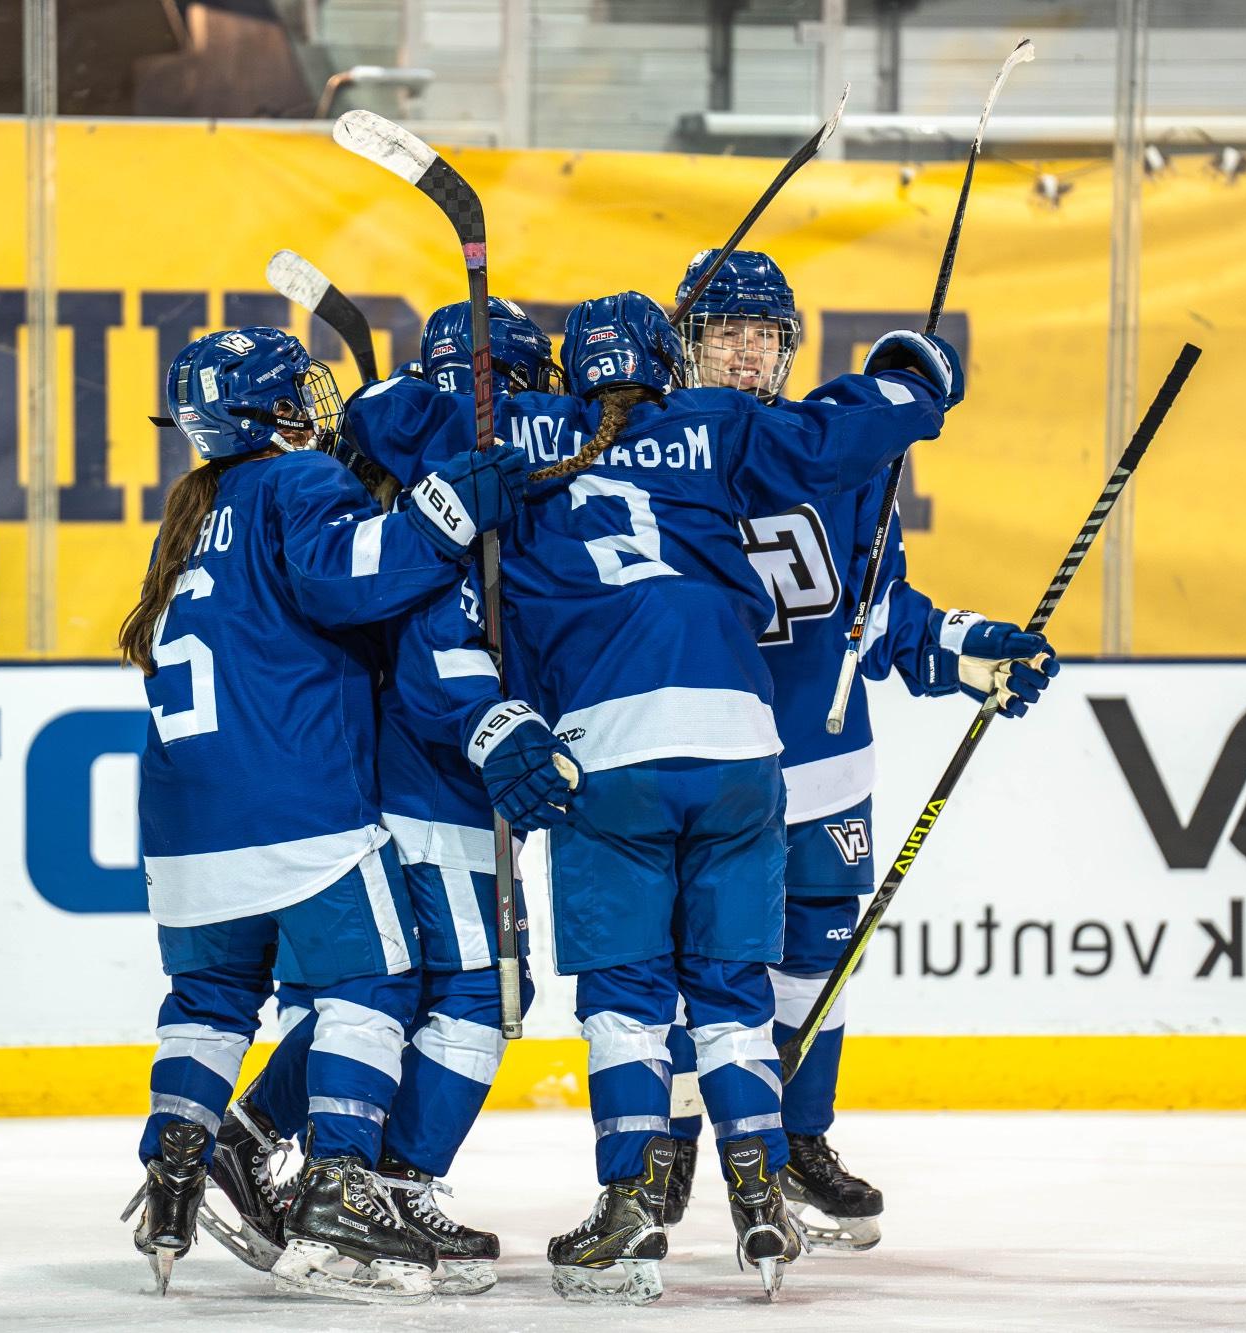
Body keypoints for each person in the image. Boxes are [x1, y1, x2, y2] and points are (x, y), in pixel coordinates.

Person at [345, 289, 958, 1304]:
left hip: (608, 747)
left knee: (629, 1002)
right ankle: (758, 1194)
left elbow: (385, 418)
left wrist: (390, 392)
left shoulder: (525, 430)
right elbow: (834, 434)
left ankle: (628, 1211)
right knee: (730, 991)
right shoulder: (712, 422)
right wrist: (913, 384)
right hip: (740, 747)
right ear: (665, 361)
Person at [120, 325, 574, 1306]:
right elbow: (385, 593)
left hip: (193, 820)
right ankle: (360, 1192)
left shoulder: (200, 511)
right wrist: (450, 509)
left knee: (217, 1004)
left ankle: (191, 1164)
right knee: (420, 990)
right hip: (335, 794)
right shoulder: (313, 486)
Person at [666, 249, 1059, 1248]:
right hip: (696, 760)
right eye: (726, 334)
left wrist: (963, 644)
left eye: (765, 336)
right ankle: (656, 1155)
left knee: (814, 961)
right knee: (677, 962)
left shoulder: (830, 458)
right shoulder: (656, 450)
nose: (748, 354)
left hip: (821, 759)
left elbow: (874, 610)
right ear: (686, 344)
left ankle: (796, 1141)